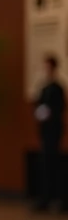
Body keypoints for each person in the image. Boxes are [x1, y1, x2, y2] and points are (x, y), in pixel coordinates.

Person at [34, 54, 65, 211]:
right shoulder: (44, 88)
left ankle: (59, 199)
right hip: (45, 132)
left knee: (55, 164)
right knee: (44, 164)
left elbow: (59, 109)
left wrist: (49, 113)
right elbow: (38, 106)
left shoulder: (58, 88)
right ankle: (45, 198)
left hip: (54, 131)